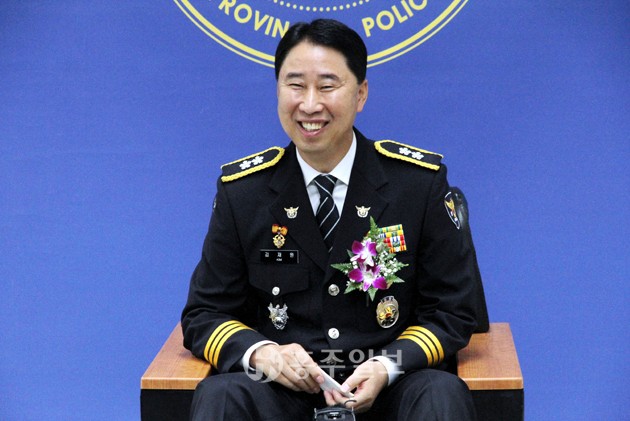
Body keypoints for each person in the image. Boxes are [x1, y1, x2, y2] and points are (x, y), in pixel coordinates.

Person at [182, 18, 478, 420]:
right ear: (277, 90)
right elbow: (204, 314)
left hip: (390, 388)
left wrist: (387, 365)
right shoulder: (243, 194)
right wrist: (262, 353)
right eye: (295, 85)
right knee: (223, 395)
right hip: (282, 394)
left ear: (361, 93)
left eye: (326, 86)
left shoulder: (417, 185)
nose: (309, 105)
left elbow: (452, 310)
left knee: (440, 393)